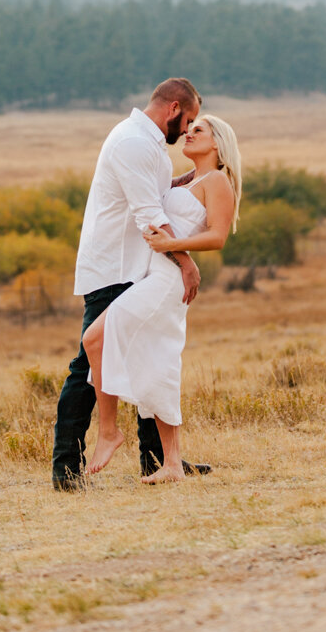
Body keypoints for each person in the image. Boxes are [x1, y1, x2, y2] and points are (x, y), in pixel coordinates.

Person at [52, 77, 204, 491]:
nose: (187, 129)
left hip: (135, 268)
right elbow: (147, 214)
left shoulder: (146, 143)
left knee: (146, 359)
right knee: (87, 368)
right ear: (173, 108)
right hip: (114, 269)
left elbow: (150, 194)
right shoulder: (133, 142)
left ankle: (158, 461)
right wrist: (186, 261)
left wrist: (192, 179)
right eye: (187, 119)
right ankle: (66, 469)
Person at [82, 113, 241, 483]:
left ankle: (109, 433)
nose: (188, 133)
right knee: (156, 364)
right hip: (152, 275)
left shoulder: (218, 181)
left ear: (217, 143)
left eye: (198, 130)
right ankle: (171, 464)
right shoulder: (190, 180)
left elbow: (217, 236)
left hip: (167, 280)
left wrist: (174, 246)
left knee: (95, 339)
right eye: (189, 127)